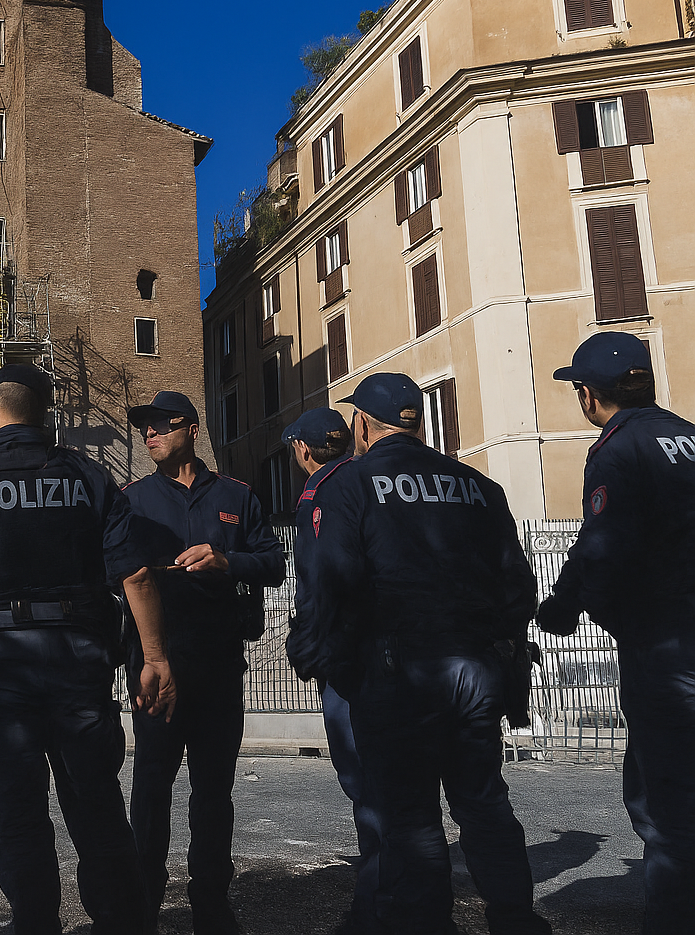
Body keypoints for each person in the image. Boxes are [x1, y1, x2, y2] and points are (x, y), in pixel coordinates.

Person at [0, 363, 177, 935]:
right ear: (47, 412)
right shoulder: (92, 477)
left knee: (20, 816)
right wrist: (155, 659)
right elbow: (137, 577)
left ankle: (35, 924)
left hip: (3, 670)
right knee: (98, 809)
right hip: (79, 665)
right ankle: (123, 924)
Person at [301, 373, 549, 935]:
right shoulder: (478, 485)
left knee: (411, 819)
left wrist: (322, 654)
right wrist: (500, 648)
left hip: (397, 671)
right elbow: (518, 588)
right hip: (475, 667)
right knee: (484, 805)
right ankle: (516, 921)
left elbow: (331, 581)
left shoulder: (351, 483)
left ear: (362, 423)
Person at [535, 332, 695, 935]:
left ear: (588, 394)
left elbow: (600, 548)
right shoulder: (689, 436)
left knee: (666, 802)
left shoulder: (617, 450)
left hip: (666, 644)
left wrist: (574, 607)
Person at [121, 391, 286, 935]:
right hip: (156, 668)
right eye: (143, 428)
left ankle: (211, 905)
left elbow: (273, 564)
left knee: (214, 792)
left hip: (219, 669)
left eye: (159, 426)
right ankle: (142, 905)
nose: (149, 435)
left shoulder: (238, 496)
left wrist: (226, 561)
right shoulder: (131, 501)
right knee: (150, 790)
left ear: (191, 429)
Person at [281, 406, 379, 925]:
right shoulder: (368, 476)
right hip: (400, 653)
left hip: (350, 659)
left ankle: (376, 903)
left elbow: (322, 576)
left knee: (365, 782)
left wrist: (308, 646)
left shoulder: (321, 492)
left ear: (302, 450)